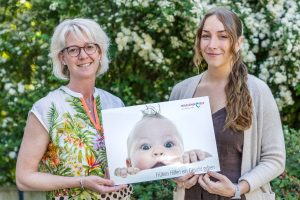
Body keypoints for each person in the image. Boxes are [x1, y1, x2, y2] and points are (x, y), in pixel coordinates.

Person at [169, 7, 285, 200]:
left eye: (223, 36)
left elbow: (275, 159)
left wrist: (237, 189)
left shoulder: (257, 92)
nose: (212, 44)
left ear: (238, 43)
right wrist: (176, 175)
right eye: (206, 36)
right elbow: (170, 152)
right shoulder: (181, 91)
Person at [16, 18, 132, 200]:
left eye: (90, 47)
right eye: (73, 49)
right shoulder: (46, 108)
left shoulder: (115, 103)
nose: (83, 55)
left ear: (100, 52)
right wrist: (81, 181)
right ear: (62, 57)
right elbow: (24, 178)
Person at [115, 105, 211, 178]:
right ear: (129, 163)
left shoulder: (189, 171)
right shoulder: (130, 177)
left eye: (168, 144)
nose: (158, 152)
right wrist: (122, 176)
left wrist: (200, 158)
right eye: (145, 147)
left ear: (183, 152)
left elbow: (211, 166)